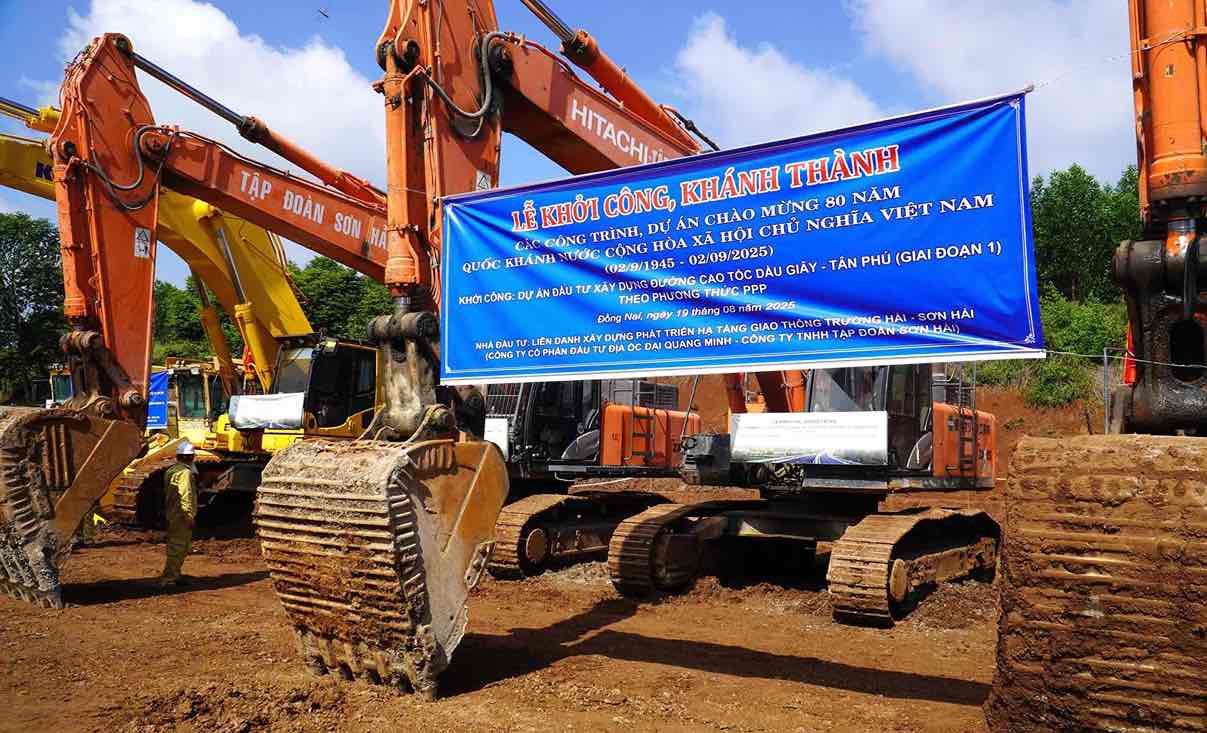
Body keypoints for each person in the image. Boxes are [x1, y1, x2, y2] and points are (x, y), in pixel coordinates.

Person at [159, 440, 199, 588]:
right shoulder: (185, 473)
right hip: (181, 515)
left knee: (178, 545)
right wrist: (189, 515)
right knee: (179, 546)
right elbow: (186, 494)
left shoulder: (172, 470)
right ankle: (169, 578)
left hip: (172, 511)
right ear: (191, 457)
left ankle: (175, 574)